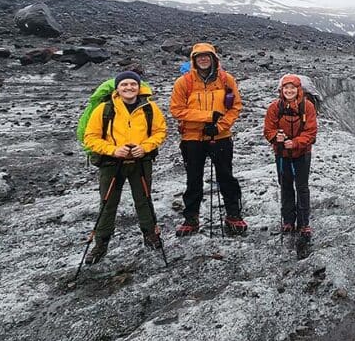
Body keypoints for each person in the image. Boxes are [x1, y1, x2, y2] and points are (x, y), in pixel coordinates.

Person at [82, 70, 167, 264]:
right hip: (111, 163)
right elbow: (91, 137)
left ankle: (151, 236)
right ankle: (101, 244)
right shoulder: (104, 109)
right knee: (108, 203)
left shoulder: (150, 108)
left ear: (139, 87)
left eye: (133, 84)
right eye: (124, 85)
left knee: (144, 199)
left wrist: (145, 147)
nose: (129, 88)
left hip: (140, 161)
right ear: (117, 89)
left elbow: (160, 131)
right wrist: (112, 150)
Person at [169, 43, 245, 236]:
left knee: (226, 176)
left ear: (214, 58)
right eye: (199, 56)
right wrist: (208, 117)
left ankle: (233, 214)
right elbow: (176, 110)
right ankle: (191, 218)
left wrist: (219, 126)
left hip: (221, 137)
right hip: (192, 138)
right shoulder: (183, 82)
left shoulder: (227, 80)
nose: (203, 59)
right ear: (194, 60)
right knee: (193, 179)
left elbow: (235, 107)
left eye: (207, 56)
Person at [263, 74, 318, 240]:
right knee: (285, 186)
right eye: (286, 88)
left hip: (301, 153)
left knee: (302, 187)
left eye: (292, 88)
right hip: (282, 154)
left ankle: (303, 223)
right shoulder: (274, 107)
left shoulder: (307, 107)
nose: (289, 91)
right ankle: (288, 220)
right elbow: (268, 129)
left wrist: (295, 143)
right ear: (281, 90)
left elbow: (311, 132)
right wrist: (275, 137)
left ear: (298, 89)